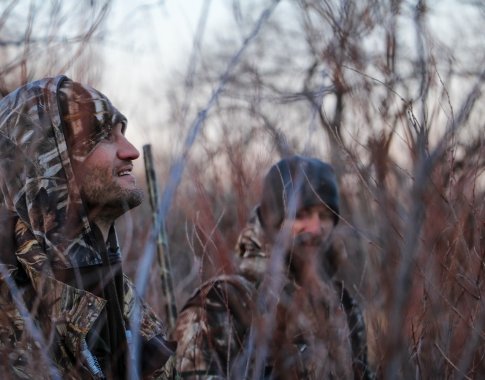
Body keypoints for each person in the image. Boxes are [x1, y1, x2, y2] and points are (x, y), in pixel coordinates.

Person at [0, 76, 176, 379]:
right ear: (46, 158)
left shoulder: (125, 300)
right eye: (104, 135)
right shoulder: (10, 310)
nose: (131, 151)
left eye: (123, 132)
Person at [173, 155, 374, 379]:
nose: (316, 228)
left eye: (325, 215)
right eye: (301, 215)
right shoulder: (222, 302)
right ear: (273, 222)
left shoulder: (343, 306)